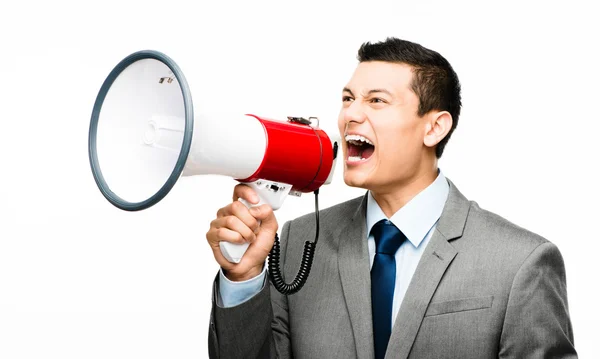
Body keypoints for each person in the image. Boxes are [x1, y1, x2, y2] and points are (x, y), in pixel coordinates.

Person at [205, 37, 577, 358]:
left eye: (376, 101)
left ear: (434, 127)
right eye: (347, 98)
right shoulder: (299, 242)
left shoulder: (519, 263)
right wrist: (244, 277)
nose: (350, 114)